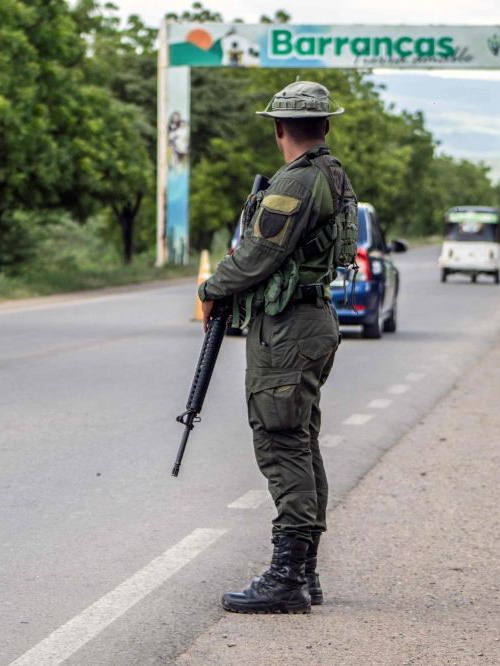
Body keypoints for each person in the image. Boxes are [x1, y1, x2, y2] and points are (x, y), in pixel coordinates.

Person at [198, 81, 355, 614]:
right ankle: (304, 573)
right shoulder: (330, 172)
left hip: (287, 328)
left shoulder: (298, 179)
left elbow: (259, 252)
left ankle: (287, 577)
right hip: (311, 320)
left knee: (282, 442)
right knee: (301, 441)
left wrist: (211, 288)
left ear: (278, 128)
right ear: (326, 125)